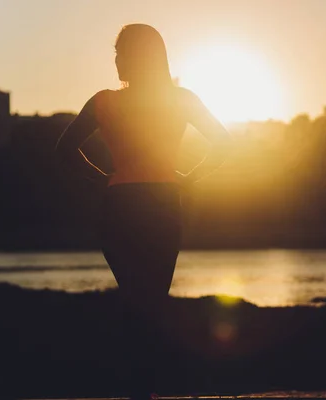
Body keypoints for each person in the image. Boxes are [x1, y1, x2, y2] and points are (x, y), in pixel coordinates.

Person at [55, 23, 233, 399]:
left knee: (138, 301)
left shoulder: (104, 102)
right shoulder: (181, 99)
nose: (117, 61)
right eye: (115, 54)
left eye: (122, 53)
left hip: (120, 206)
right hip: (163, 204)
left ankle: (138, 387)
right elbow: (222, 142)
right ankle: (145, 387)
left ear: (139, 57)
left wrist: (103, 179)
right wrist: (189, 178)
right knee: (151, 302)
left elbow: (64, 148)